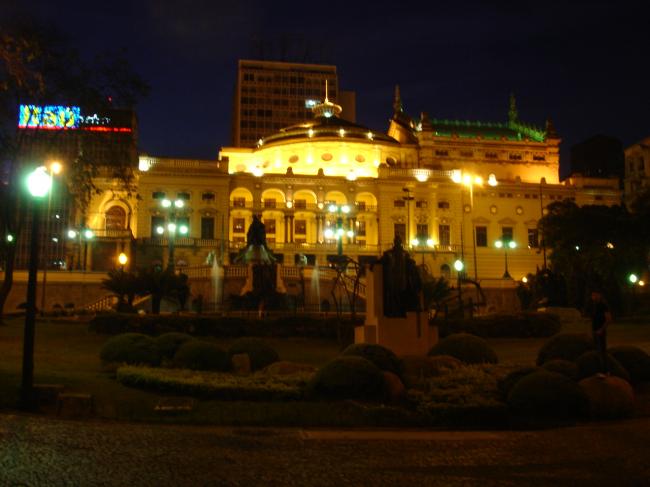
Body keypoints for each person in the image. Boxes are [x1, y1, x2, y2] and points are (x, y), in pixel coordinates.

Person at [588, 289, 612, 374]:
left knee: (602, 351)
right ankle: (599, 370)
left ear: (599, 295)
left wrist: (601, 330)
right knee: (597, 351)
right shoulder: (595, 305)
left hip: (600, 331)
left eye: (595, 295)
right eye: (592, 295)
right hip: (595, 331)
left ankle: (605, 370)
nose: (593, 297)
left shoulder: (603, 305)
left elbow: (608, 319)